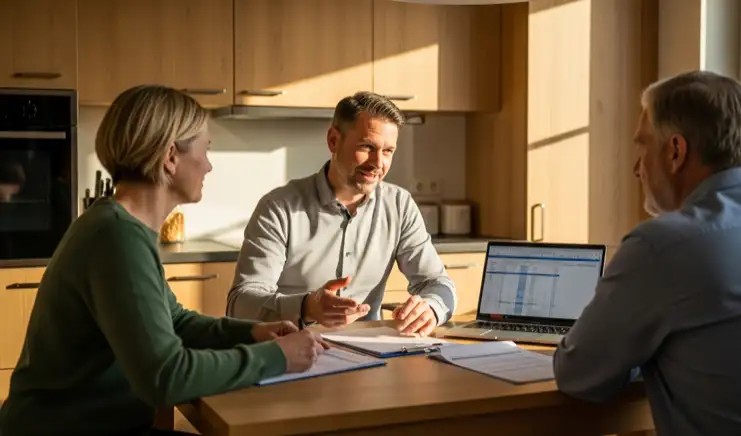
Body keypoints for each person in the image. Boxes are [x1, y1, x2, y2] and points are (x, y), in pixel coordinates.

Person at [0, 85, 328, 436]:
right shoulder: (115, 237)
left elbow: (173, 321)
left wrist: (251, 332)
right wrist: (277, 357)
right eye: (205, 149)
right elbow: (166, 376)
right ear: (171, 156)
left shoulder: (119, 226)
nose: (209, 165)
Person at [553, 70, 741, 435]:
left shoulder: (660, 247)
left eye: (642, 146)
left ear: (675, 152)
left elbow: (577, 374)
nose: (637, 168)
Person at [227, 91, 457, 337]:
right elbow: (240, 304)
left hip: (371, 355)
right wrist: (307, 307)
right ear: (333, 140)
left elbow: (439, 284)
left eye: (388, 151)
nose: (378, 163)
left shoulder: (399, 205)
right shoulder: (279, 207)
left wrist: (431, 309)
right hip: (292, 353)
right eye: (367, 147)